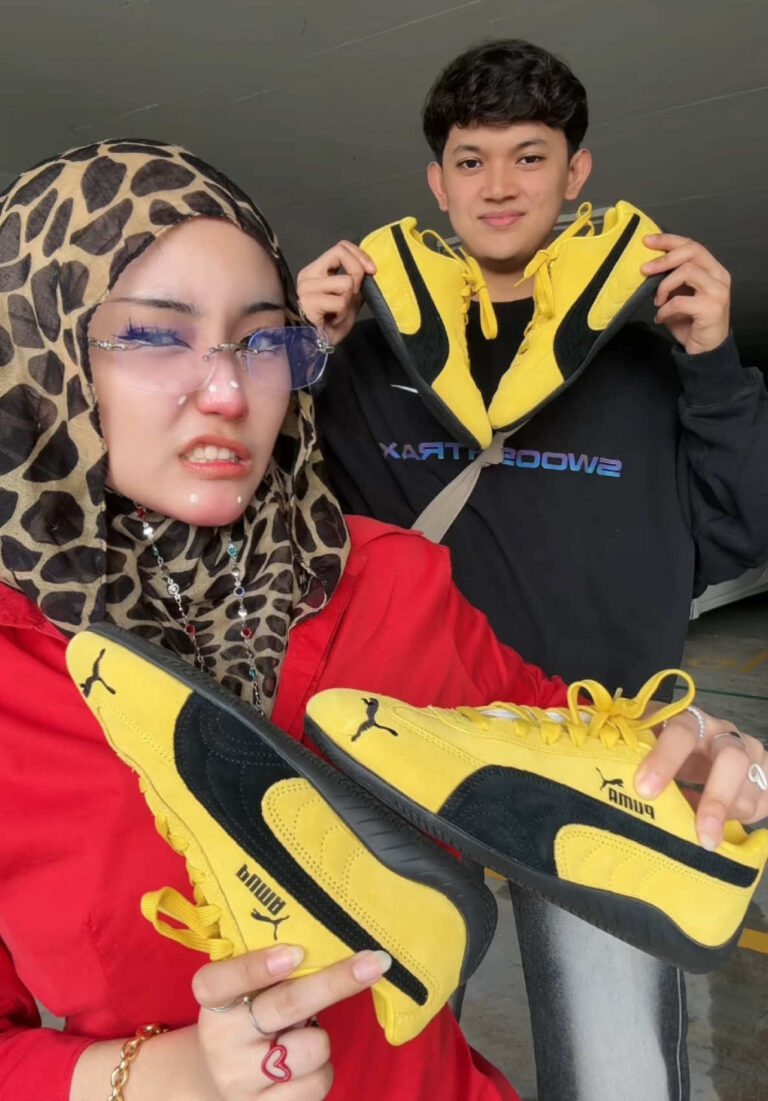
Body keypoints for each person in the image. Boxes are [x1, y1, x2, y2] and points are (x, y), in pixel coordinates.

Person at [1, 141, 764, 1101]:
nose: (230, 393)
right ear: (38, 350)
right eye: (156, 337)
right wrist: (165, 1075)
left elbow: (555, 726)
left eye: (263, 341)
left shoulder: (386, 578)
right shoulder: (14, 671)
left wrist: (701, 756)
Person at [298, 39, 768, 1101]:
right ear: (437, 182)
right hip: (404, 753)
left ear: (575, 172)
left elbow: (745, 533)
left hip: (602, 755)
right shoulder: (370, 359)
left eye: (529, 156)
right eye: (472, 160)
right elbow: (283, 529)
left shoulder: (646, 359)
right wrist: (299, 359)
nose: (499, 186)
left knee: (619, 1073)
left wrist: (714, 364)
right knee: (382, 1059)